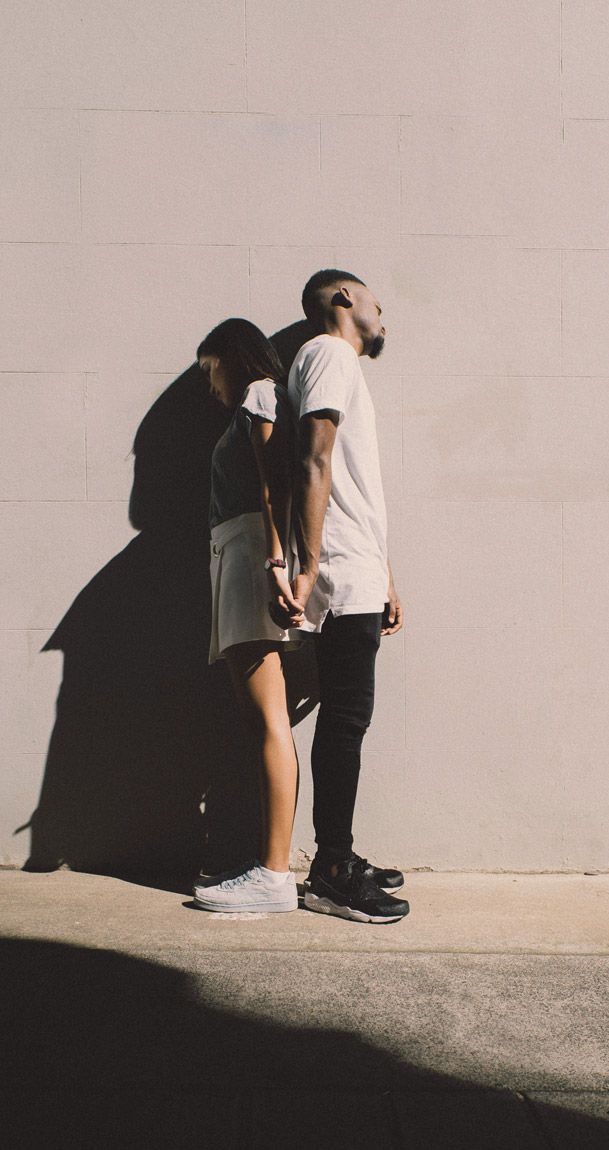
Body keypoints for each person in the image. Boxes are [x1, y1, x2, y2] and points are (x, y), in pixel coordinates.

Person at [285, 270, 410, 924]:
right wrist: (308, 568)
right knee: (346, 716)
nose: (382, 315)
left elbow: (352, 483)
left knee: (346, 715)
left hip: (354, 564)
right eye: (375, 302)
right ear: (343, 300)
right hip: (336, 565)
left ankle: (337, 856)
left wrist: (382, 572)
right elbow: (313, 458)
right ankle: (332, 869)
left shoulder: (336, 364)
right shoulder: (330, 353)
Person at [191, 318, 304, 913]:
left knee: (267, 719)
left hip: (251, 556)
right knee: (264, 717)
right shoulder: (258, 398)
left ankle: (274, 875)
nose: (209, 387)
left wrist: (275, 563)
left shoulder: (260, 392)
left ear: (231, 358)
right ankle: (272, 865)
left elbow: (275, 481)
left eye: (210, 370)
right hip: (241, 557)